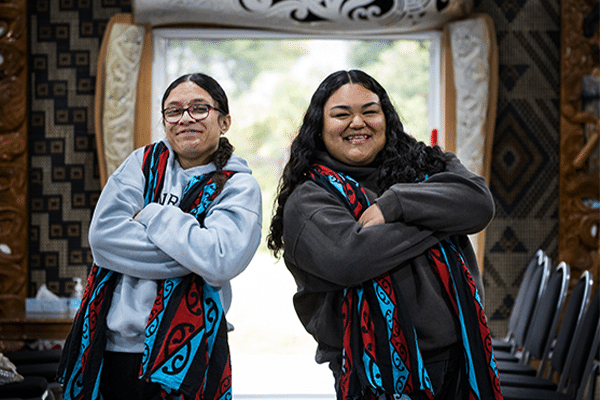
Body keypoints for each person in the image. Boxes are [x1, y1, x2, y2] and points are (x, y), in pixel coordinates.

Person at [267, 70, 502, 400]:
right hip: (370, 372)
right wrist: (441, 217)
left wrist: (397, 204)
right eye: (341, 114)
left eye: (370, 111)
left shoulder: (427, 164)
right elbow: (350, 258)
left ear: (386, 118)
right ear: (319, 127)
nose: (357, 122)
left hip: (460, 353)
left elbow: (478, 204)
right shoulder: (308, 199)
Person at [58, 73, 263, 400]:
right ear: (164, 120)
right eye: (174, 110)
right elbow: (103, 241)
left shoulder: (239, 186)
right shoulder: (141, 164)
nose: (185, 118)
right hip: (115, 347)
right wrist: (194, 254)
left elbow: (221, 260)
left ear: (224, 122)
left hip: (193, 349)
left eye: (199, 108)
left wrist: (154, 214)